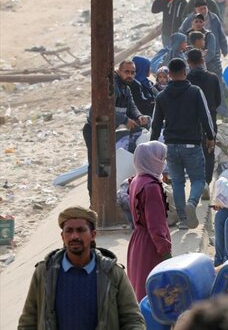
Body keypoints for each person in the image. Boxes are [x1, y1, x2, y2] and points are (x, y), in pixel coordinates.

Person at [19, 206, 145, 329]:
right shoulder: (44, 272)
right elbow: (28, 321)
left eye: (80, 230)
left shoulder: (112, 273)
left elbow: (132, 319)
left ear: (93, 235)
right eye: (69, 231)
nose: (75, 236)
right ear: (62, 236)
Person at [150, 58, 215, 230]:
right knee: (198, 179)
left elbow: (156, 124)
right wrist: (211, 136)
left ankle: (183, 220)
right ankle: (192, 203)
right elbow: (205, 115)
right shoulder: (195, 91)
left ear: (169, 74)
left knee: (177, 182)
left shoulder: (162, 96)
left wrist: (152, 144)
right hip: (192, 144)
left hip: (170, 145)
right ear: (185, 72)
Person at [82, 60, 150, 194]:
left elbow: (132, 108)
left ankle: (106, 195)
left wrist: (138, 117)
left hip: (108, 131)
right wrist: (125, 119)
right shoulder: (112, 86)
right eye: (127, 72)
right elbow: (105, 109)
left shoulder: (126, 88)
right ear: (119, 71)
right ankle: (94, 197)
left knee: (107, 165)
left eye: (132, 72)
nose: (130, 75)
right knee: (97, 166)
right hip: (95, 130)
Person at [126, 141, 172, 301]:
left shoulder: (136, 180)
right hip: (151, 247)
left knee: (140, 289)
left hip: (137, 243)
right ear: (153, 160)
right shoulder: (151, 187)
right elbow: (156, 226)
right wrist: (166, 253)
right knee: (155, 295)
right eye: (161, 158)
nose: (163, 162)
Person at [186, 49, 222, 186]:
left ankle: (197, 182)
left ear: (189, 63)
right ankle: (207, 182)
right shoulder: (213, 78)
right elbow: (218, 101)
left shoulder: (187, 80)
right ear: (202, 60)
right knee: (209, 150)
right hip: (210, 119)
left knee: (194, 152)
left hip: (191, 121)